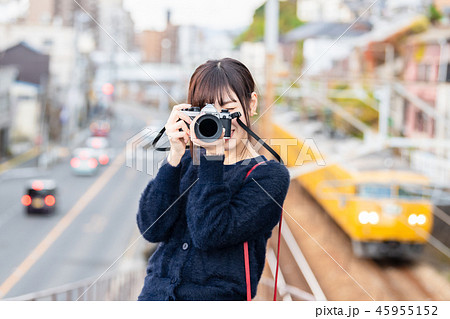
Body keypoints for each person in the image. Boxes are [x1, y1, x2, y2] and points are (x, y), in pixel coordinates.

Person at [136, 58, 290, 301]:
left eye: (228, 111)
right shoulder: (187, 163)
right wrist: (174, 157)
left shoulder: (268, 177)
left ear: (251, 104)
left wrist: (212, 156)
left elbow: (209, 233)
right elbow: (151, 229)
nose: (220, 122)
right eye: (207, 113)